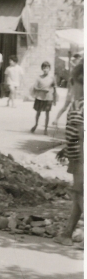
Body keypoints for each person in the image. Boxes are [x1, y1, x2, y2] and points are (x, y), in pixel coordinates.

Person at [55, 62, 83, 246]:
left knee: (80, 195)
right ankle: (67, 234)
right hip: (77, 156)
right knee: (78, 197)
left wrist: (78, 157)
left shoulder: (78, 105)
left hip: (80, 159)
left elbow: (80, 133)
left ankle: (68, 235)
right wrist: (66, 148)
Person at [30, 61, 58, 134]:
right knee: (38, 112)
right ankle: (36, 124)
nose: (45, 69)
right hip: (40, 98)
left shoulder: (52, 78)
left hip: (48, 98)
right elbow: (35, 87)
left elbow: (55, 89)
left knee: (47, 113)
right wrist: (41, 90)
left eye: (47, 68)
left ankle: (45, 129)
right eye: (44, 68)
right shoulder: (39, 78)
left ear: (49, 69)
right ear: (42, 69)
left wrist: (55, 99)